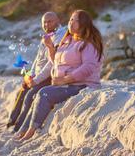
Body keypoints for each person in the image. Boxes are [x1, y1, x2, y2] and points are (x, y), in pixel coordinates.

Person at [15, 10, 104, 142]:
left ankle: (31, 131)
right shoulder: (67, 41)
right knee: (36, 94)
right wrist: (50, 47)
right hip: (67, 84)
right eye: (70, 20)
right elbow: (55, 62)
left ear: (84, 24)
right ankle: (23, 129)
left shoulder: (87, 43)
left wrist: (65, 79)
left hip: (82, 84)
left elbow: (89, 67)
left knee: (44, 93)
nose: (71, 22)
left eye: (75, 20)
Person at [7, 12, 67, 131]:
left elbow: (51, 63)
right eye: (44, 22)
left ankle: (19, 127)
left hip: (49, 76)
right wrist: (31, 74)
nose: (46, 24)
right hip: (38, 75)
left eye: (50, 21)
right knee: (22, 90)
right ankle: (11, 122)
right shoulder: (46, 36)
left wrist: (36, 80)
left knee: (30, 95)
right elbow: (37, 59)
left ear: (57, 21)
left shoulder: (60, 36)